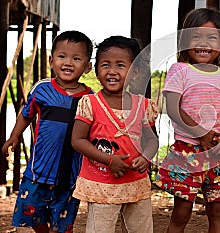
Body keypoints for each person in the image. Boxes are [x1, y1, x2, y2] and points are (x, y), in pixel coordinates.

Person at [154, 8, 220, 233]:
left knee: (217, 211)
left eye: (212, 37)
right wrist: (200, 133)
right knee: (181, 212)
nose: (203, 43)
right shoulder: (180, 70)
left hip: (218, 152)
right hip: (187, 151)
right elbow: (173, 108)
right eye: (196, 36)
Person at [2, 30, 93, 233]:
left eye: (76, 58)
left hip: (70, 175)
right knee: (32, 215)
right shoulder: (42, 89)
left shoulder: (90, 98)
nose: (68, 62)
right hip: (38, 171)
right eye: (62, 56)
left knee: (63, 224)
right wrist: (14, 135)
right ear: (51, 61)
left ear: (87, 67)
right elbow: (27, 114)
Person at [71, 35, 159, 233]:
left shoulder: (143, 105)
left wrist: (146, 157)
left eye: (120, 65)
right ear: (96, 69)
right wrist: (109, 160)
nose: (112, 71)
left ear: (135, 72)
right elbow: (77, 140)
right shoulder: (90, 103)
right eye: (105, 65)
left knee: (142, 229)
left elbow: (152, 139)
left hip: (136, 182)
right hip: (102, 185)